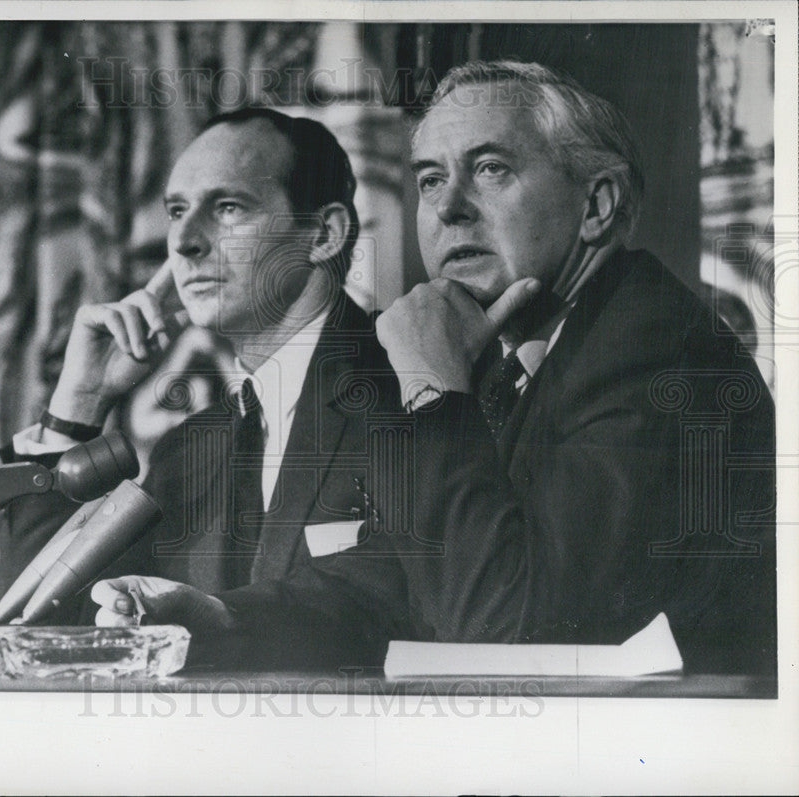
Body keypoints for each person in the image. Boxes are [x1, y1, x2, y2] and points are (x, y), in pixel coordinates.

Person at [94, 61, 777, 676]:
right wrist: (223, 617)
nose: (448, 207)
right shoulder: (520, 349)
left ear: (595, 206)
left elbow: (511, 632)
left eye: (491, 169)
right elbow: (390, 581)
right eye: (429, 179)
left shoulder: (656, 348)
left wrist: (430, 391)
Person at [0, 108, 402, 625]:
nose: (185, 242)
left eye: (228, 208)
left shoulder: (414, 387)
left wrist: (220, 617)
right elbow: (37, 628)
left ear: (323, 234)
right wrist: (77, 405)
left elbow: (388, 603)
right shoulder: (187, 451)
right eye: (176, 211)